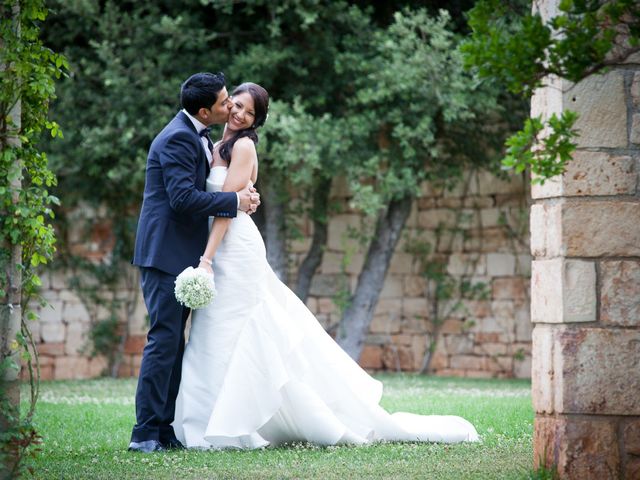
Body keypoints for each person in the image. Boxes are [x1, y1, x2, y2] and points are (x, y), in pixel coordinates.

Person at [172, 82, 479, 449]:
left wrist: (206, 259)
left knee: (233, 328)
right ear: (225, 105)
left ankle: (227, 425)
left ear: (257, 121)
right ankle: (210, 419)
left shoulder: (242, 146)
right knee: (214, 331)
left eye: (249, 112)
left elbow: (226, 209)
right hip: (220, 246)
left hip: (233, 249)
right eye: (236, 105)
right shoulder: (215, 144)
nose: (239, 113)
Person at [129, 72, 260, 453]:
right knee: (164, 340)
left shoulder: (205, 138)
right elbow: (183, 199)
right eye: (225, 102)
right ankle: (145, 433)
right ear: (205, 111)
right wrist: (234, 202)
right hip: (164, 253)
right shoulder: (176, 139)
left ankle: (165, 430)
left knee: (175, 344)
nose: (230, 106)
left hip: (184, 253)